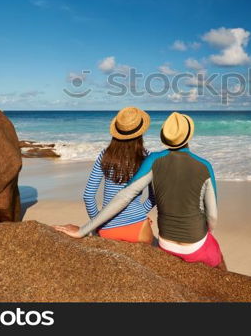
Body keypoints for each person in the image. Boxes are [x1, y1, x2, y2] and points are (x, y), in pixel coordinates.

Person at [56, 112, 225, 270]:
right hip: (147, 231)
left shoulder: (134, 158)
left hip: (130, 235)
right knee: (216, 262)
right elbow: (211, 216)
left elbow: (105, 196)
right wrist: (140, 214)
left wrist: (92, 227)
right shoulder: (198, 165)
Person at [54, 107, 155, 243]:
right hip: (138, 227)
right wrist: (139, 214)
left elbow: (88, 195)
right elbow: (154, 198)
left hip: (107, 229)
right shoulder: (147, 157)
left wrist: (98, 223)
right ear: (141, 132)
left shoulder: (105, 156)